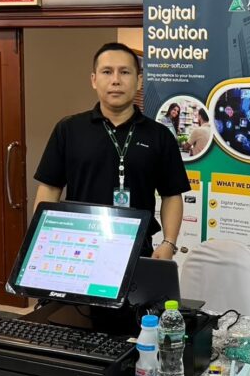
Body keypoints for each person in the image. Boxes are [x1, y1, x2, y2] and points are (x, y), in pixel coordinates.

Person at [33, 42, 190, 259]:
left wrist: (169, 243)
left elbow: (171, 194)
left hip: (137, 248)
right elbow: (50, 188)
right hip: (78, 247)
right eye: (107, 72)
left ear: (139, 81)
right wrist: (41, 239)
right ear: (94, 80)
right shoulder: (69, 129)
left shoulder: (159, 135)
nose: (116, 80)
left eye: (124, 72)